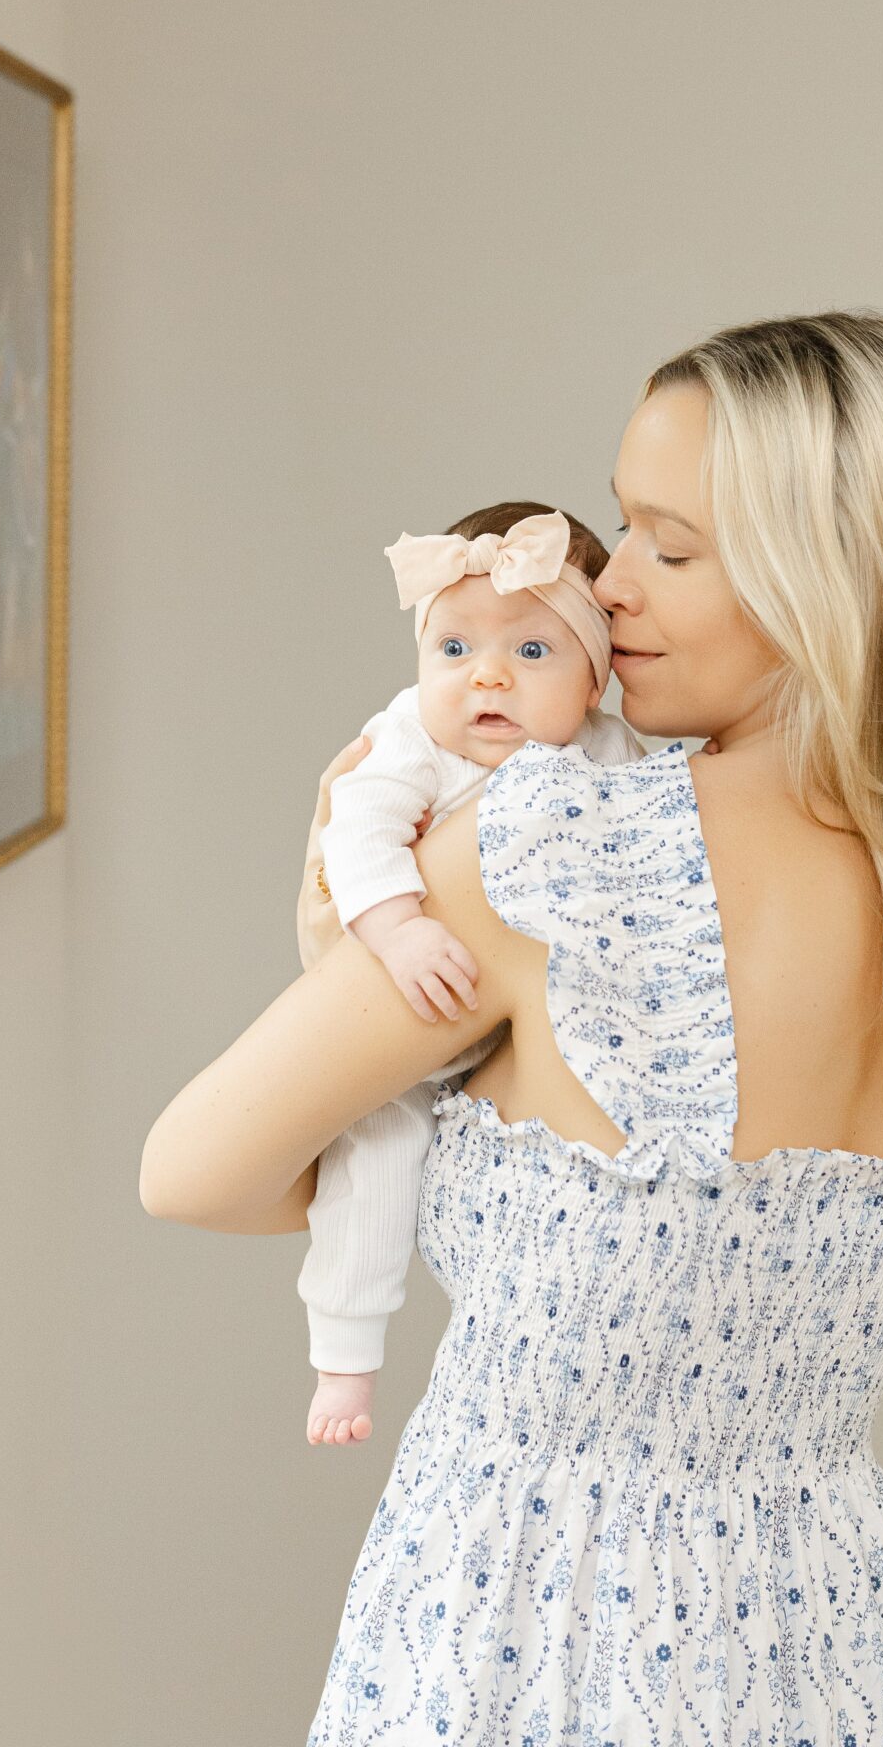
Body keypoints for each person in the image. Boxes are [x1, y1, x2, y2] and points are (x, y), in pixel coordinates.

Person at [140, 311, 883, 1745]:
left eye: (670, 549)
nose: (604, 587)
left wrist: (336, 938)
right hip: (823, 1629)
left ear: (833, 579)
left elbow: (192, 1170)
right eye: (614, 531)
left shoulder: (551, 843)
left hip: (532, 1624)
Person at [299, 501, 641, 1451]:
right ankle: (345, 1355)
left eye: (532, 653)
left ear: (593, 680)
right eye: (453, 648)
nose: (484, 675)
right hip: (408, 1005)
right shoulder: (411, 740)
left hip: (519, 1038)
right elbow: (357, 835)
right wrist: (401, 932)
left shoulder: (609, 755)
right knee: (373, 1155)